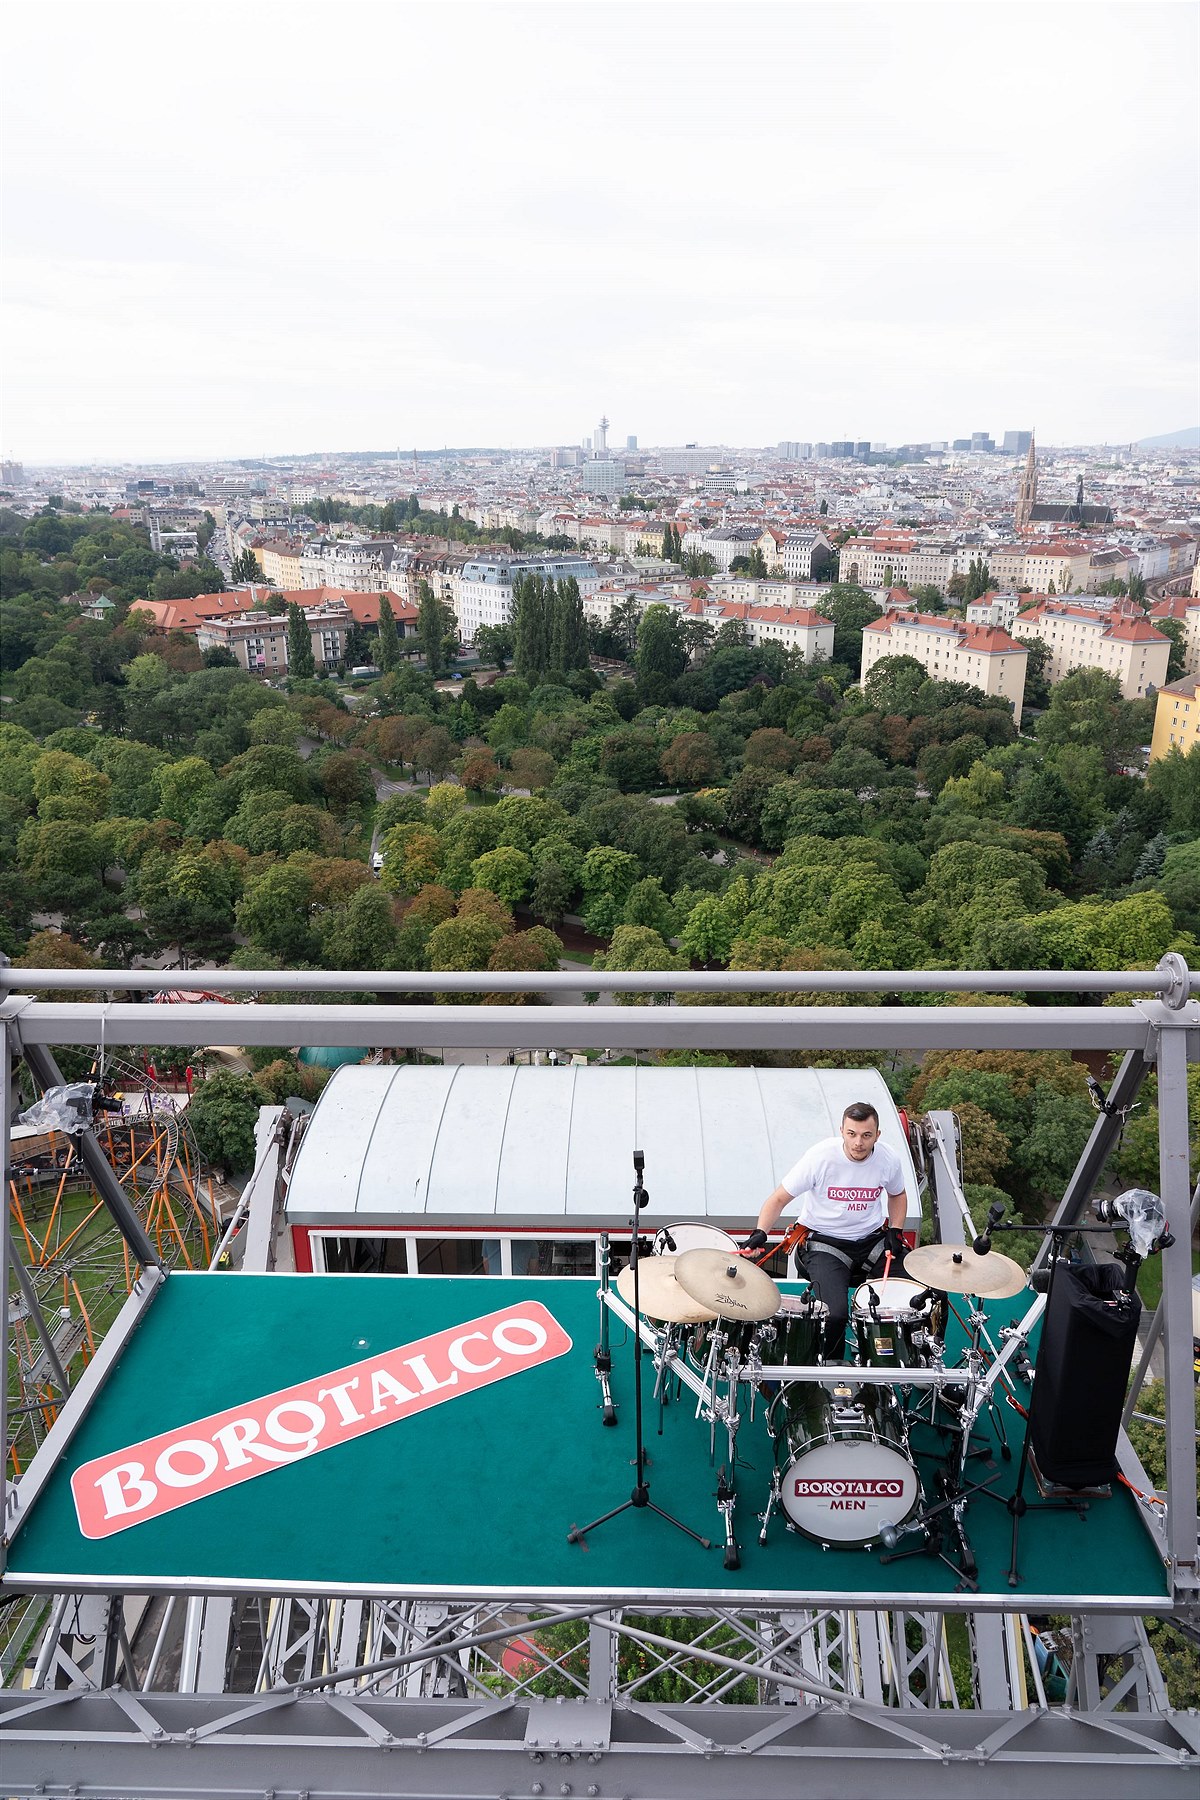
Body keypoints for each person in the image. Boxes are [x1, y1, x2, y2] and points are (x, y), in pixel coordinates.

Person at [746, 1101, 907, 1360]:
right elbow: (778, 1199)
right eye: (852, 1134)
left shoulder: (888, 1159)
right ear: (841, 1130)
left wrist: (896, 1230)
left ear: (877, 1135)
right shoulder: (820, 1157)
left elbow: (897, 1194)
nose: (858, 1143)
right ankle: (829, 1371)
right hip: (825, 1243)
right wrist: (760, 1233)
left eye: (866, 1135)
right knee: (834, 1315)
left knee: (926, 1294)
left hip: (872, 1243)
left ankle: (924, 1366)